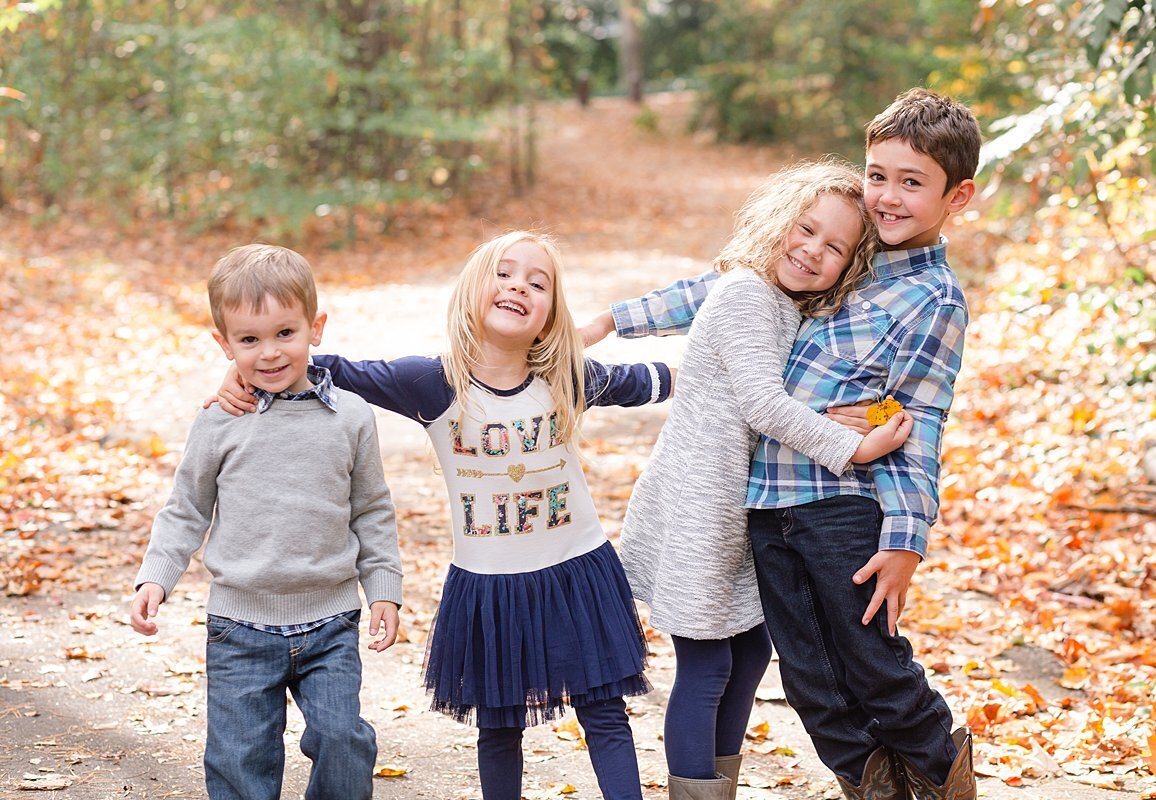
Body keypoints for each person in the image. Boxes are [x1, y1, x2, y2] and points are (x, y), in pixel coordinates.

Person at [583, 88, 982, 800]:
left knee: (868, 658)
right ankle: (872, 784)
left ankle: (937, 775)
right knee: (808, 676)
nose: (888, 196)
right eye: (878, 175)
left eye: (911, 183)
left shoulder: (930, 296)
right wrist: (615, 319)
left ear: (958, 197)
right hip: (764, 501)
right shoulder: (844, 262)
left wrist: (906, 538)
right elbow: (727, 286)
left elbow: (919, 421)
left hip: (840, 505)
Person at [214, 231, 673, 800]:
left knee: (604, 713)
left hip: (577, 573)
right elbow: (328, 366)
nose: (518, 287)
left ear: (552, 312)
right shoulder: (431, 383)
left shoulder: (566, 376)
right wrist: (244, 371)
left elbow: (658, 381)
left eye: (538, 282)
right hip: (489, 585)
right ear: (472, 291)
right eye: (504, 274)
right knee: (499, 725)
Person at [611, 160, 912, 800]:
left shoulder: (789, 307)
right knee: (707, 662)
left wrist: (859, 411)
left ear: (849, 266)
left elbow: (791, 392)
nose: (812, 251)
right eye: (805, 230)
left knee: (748, 658)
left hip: (741, 509)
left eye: (834, 248)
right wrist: (852, 448)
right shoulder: (747, 294)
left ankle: (719, 785)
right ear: (778, 222)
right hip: (699, 503)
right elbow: (761, 402)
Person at [130, 244, 404, 800]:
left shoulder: (351, 417)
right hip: (240, 626)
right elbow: (186, 508)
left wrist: (384, 589)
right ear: (224, 344)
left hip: (330, 621)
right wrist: (155, 576)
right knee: (239, 759)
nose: (270, 352)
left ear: (315, 328)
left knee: (343, 738)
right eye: (249, 340)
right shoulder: (218, 421)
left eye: (285, 333)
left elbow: (372, 510)